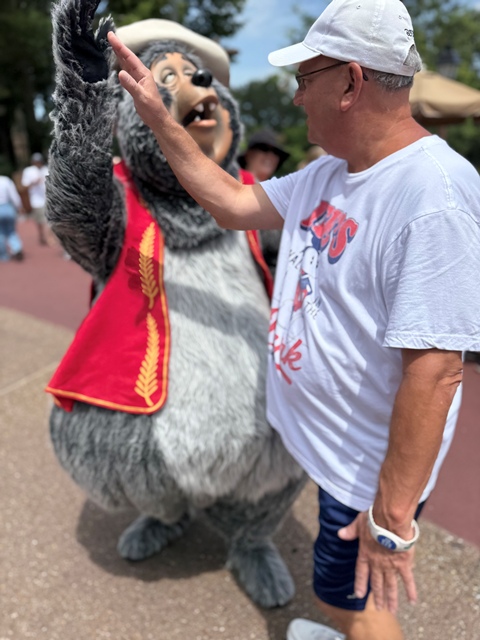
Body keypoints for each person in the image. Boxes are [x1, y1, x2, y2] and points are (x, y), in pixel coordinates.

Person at [106, 0, 480, 637]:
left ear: (351, 82)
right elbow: (231, 202)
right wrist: (159, 119)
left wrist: (391, 520)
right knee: (347, 593)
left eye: (306, 78)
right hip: (333, 447)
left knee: (354, 602)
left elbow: (437, 371)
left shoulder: (433, 197)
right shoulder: (329, 172)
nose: (298, 95)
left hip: (365, 471)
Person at [21, 153, 49, 246]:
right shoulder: (28, 171)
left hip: (48, 198)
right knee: (40, 221)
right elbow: (24, 186)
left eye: (39, 161)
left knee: (48, 219)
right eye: (36, 161)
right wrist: (34, 182)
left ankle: (48, 237)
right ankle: (42, 236)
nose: (38, 163)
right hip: (36, 201)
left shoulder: (46, 169)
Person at [0, 173, 24, 261]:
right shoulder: (6, 180)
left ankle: (3, 255)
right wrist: (19, 206)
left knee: (1, 233)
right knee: (11, 231)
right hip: (7, 208)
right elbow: (14, 195)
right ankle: (17, 248)